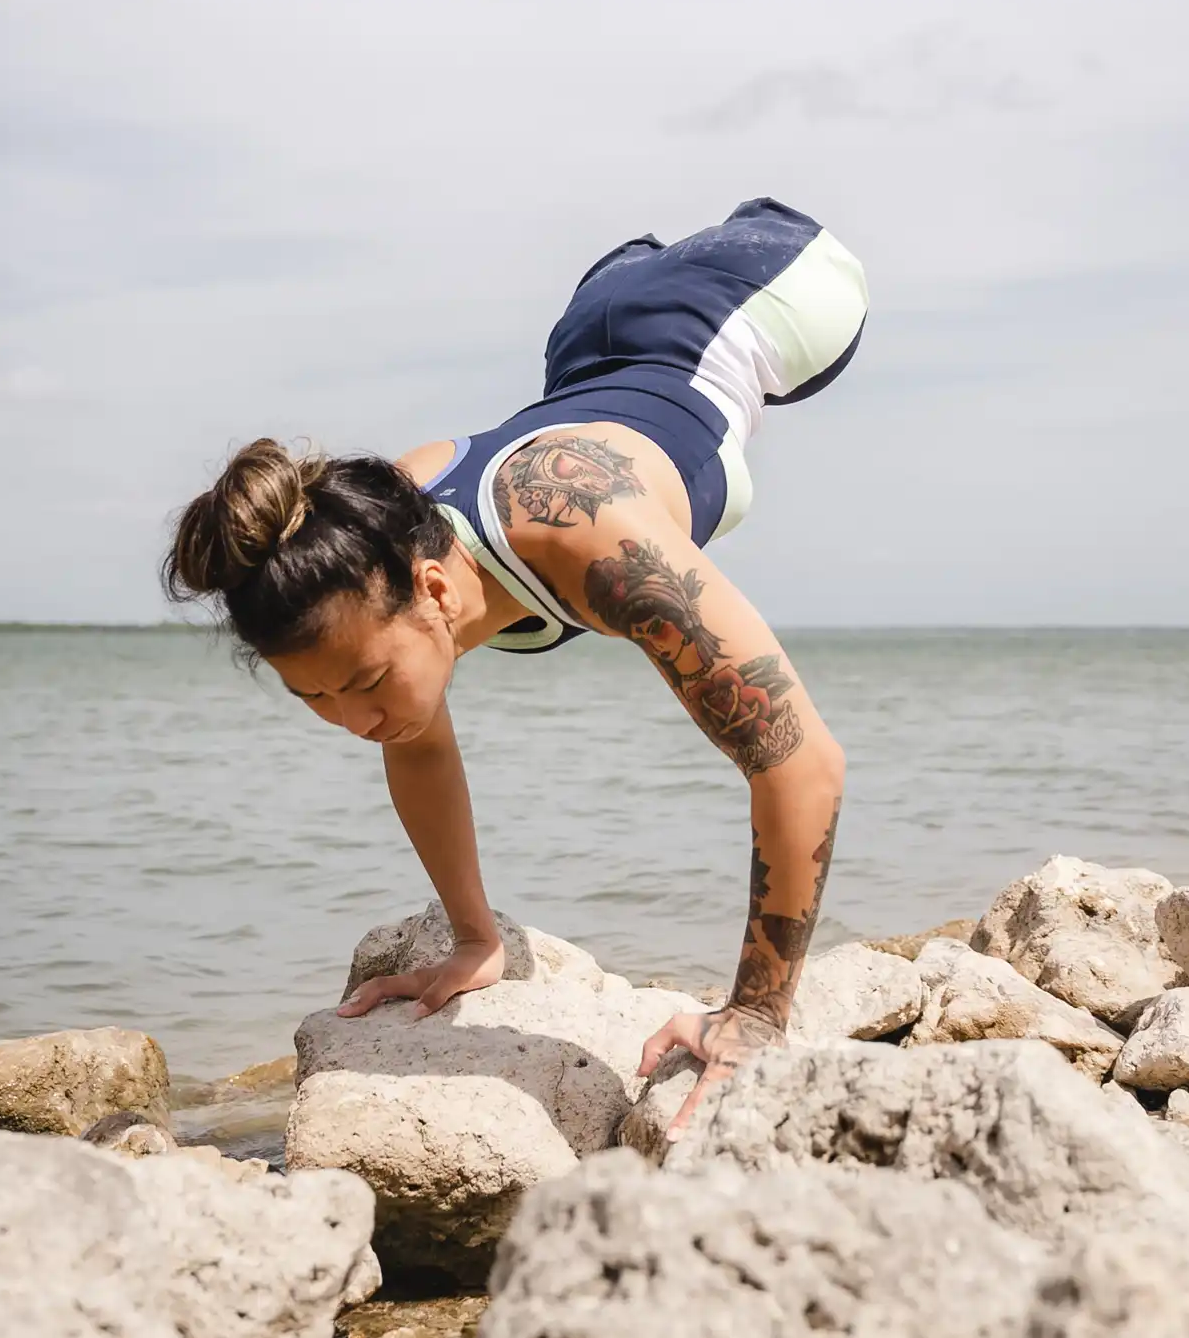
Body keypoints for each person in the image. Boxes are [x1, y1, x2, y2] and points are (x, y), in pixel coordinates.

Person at [164, 196, 868, 1140]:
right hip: (591, 331)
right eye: (312, 696)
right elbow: (415, 741)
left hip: (772, 284)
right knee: (616, 309)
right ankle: (647, 262)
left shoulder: (590, 536)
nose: (355, 721)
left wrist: (753, 1014)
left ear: (433, 589)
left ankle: (735, 233)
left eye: (364, 683)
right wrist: (474, 937)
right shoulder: (384, 522)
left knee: (814, 317)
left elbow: (800, 761)